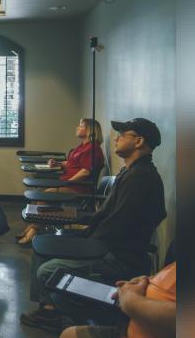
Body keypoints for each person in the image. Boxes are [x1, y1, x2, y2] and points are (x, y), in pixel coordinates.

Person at [21, 118, 167, 334]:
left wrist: (81, 241)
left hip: (117, 256)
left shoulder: (141, 179)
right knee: (40, 247)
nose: (116, 138)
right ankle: (50, 308)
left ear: (138, 141)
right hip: (103, 243)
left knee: (47, 270)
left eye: (122, 134)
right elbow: (105, 217)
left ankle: (81, 317)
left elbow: (116, 228)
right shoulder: (130, 173)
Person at [17, 118, 106, 245]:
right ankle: (31, 228)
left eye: (80, 126)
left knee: (43, 196)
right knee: (38, 194)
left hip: (77, 188)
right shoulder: (83, 146)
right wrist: (58, 163)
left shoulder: (93, 149)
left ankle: (33, 231)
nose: (77, 128)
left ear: (89, 130)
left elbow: (85, 171)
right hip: (69, 185)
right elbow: (71, 163)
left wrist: (67, 182)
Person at [60, 262, 176, 338]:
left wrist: (131, 300)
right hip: (136, 322)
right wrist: (147, 281)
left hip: (139, 329)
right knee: (68, 334)